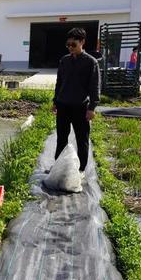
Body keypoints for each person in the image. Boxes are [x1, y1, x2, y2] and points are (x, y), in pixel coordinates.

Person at [53, 27, 100, 177]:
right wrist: (55, 101)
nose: (70, 48)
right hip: (63, 105)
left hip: (80, 106)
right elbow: (59, 82)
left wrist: (92, 107)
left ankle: (80, 170)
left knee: (82, 139)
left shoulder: (91, 63)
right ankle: (58, 168)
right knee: (61, 138)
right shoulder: (64, 61)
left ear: (82, 42)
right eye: (68, 45)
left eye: (73, 44)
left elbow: (95, 86)